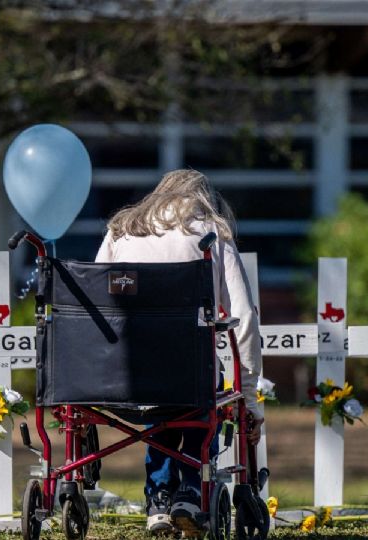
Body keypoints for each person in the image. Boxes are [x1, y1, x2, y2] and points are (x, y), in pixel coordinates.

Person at [95, 169, 264, 535]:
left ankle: (159, 495)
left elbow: (96, 298)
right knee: (201, 390)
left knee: (161, 395)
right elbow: (244, 317)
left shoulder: (121, 230)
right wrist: (249, 397)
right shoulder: (212, 233)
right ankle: (189, 487)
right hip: (190, 369)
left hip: (128, 371)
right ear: (204, 199)